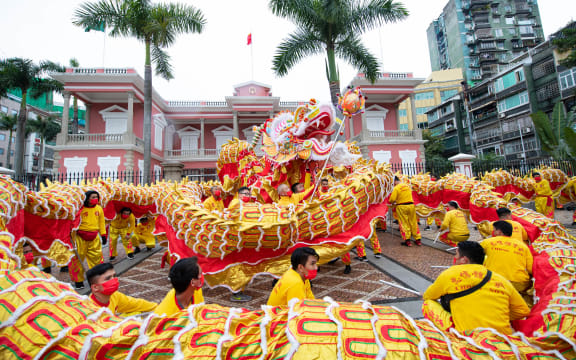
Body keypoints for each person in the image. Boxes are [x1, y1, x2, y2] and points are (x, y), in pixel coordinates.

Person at [422, 241, 530, 334]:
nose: (455, 258)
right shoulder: (500, 279)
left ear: (464, 260)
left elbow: (428, 296)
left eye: (456, 254)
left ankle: (452, 334)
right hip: (501, 336)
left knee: (428, 303)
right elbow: (523, 310)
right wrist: (494, 317)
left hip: (468, 336)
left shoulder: (450, 274)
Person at [482, 220, 533, 305]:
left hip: (495, 281)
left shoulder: (487, 242)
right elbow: (530, 268)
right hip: (518, 283)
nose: (493, 232)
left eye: (494, 230)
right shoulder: (523, 246)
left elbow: (475, 256)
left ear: (499, 231)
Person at [87, 263, 157, 315]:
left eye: (114, 276)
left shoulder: (115, 296)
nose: (114, 280)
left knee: (135, 312)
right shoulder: (89, 309)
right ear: (95, 287)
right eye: (108, 278)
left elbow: (136, 304)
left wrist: (160, 308)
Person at [70, 190, 107, 290]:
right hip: (80, 238)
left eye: (96, 197)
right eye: (92, 197)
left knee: (97, 259)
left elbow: (101, 222)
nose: (95, 199)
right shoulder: (79, 209)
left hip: (94, 237)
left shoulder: (99, 209)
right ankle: (78, 281)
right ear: (87, 198)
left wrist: (103, 234)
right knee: (77, 259)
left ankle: (97, 278)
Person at [389, 176, 422, 246]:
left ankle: (407, 240)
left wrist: (393, 202)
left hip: (401, 206)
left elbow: (392, 199)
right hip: (411, 205)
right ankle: (418, 239)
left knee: (404, 223)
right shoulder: (407, 186)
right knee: (413, 222)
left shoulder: (396, 188)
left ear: (395, 181)